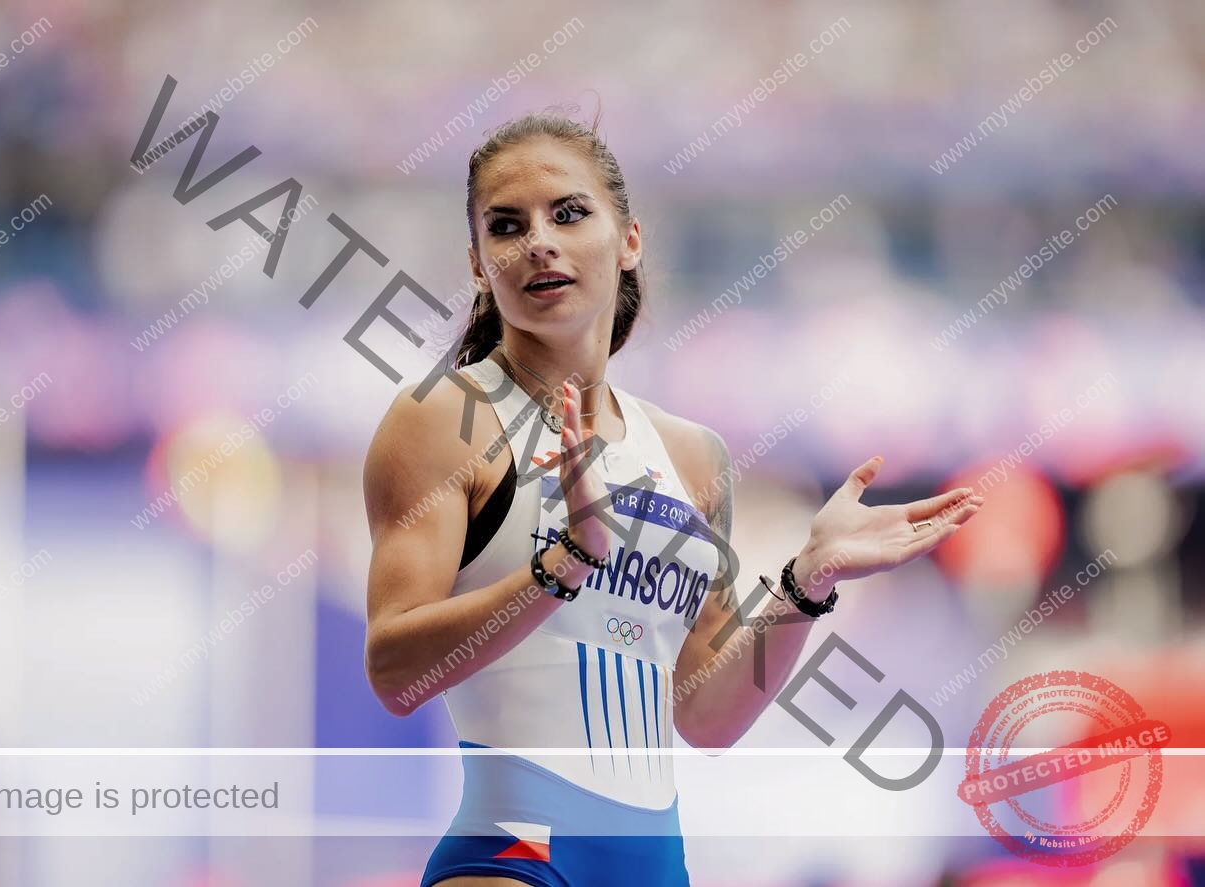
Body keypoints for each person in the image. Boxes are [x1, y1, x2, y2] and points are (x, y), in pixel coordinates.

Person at [362, 111, 984, 887]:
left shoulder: (691, 456)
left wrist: (805, 582)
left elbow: (707, 718)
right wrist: (563, 564)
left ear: (629, 240)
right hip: (515, 854)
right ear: (481, 263)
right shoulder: (444, 419)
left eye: (568, 213)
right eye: (506, 225)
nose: (539, 243)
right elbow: (394, 672)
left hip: (656, 865)